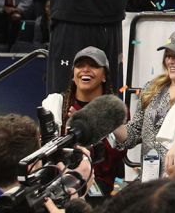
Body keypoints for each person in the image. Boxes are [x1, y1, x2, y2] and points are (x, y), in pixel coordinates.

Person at [110, 27, 175, 176]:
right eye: (168, 55)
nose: (170, 61)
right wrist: (110, 123)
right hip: (149, 180)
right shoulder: (152, 87)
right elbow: (134, 133)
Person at [39, 47, 124, 196]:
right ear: (73, 75)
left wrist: (87, 126)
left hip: (99, 188)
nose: (86, 70)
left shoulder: (114, 109)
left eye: (93, 65)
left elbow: (117, 154)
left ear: (104, 76)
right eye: (80, 65)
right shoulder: (57, 104)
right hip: (57, 183)